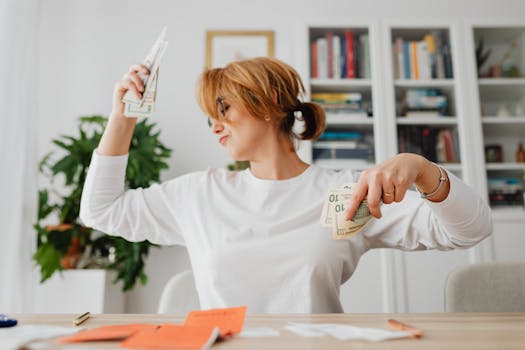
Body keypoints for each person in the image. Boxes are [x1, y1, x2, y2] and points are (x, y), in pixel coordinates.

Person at [80, 57, 492, 313]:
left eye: (223, 108)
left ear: (273, 102)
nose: (215, 126)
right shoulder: (198, 195)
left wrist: (421, 169)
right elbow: (101, 211)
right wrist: (123, 118)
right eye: (210, 116)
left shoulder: (345, 193)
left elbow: (470, 229)